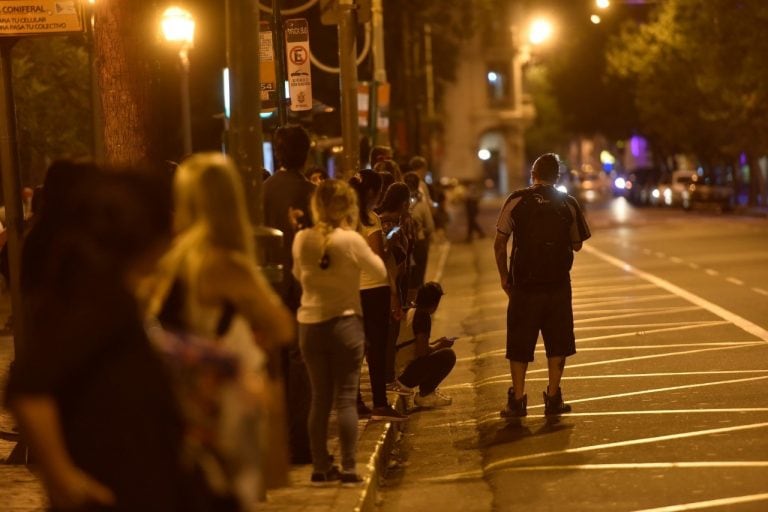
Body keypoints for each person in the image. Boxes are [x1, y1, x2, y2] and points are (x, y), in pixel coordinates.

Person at [6, 165, 201, 511]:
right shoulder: (103, 300)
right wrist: (61, 475)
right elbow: (29, 383)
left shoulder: (121, 296)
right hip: (117, 487)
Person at [146, 153, 294, 508]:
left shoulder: (172, 260)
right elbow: (282, 326)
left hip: (182, 399)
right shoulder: (224, 263)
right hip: (223, 401)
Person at [292, 180, 387, 485]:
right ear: (348, 207)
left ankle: (320, 466)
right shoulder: (351, 240)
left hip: (309, 324)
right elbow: (380, 272)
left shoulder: (302, 239)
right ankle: (348, 468)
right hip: (345, 324)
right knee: (346, 398)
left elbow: (297, 275)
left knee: (320, 398)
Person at [493, 153, 591, 418]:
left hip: (524, 284)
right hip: (558, 284)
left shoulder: (516, 200)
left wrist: (504, 277)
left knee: (519, 342)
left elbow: (500, 241)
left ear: (532, 174)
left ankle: (518, 398)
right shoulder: (567, 203)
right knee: (559, 341)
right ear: (557, 177)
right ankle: (553, 395)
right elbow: (577, 244)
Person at [263, 124, 316, 464]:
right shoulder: (310, 193)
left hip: (268, 289)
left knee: (275, 368)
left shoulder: (262, 190)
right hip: (301, 289)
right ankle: (300, 445)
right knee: (302, 368)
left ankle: (277, 444)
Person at [349, 170, 407, 422]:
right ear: (372, 193)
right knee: (376, 347)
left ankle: (356, 401)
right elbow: (377, 259)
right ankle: (380, 403)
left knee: (356, 348)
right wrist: (393, 294)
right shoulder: (369, 220)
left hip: (350, 289)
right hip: (373, 288)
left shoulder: (341, 219)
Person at [393, 282, 456, 408]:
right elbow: (421, 352)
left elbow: (413, 344)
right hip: (405, 375)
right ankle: (425, 394)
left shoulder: (410, 310)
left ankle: (427, 392)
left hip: (397, 369)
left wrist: (436, 343)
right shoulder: (423, 316)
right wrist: (441, 345)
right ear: (435, 303)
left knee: (441, 352)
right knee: (448, 355)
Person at [403, 172, 434, 291]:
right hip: (419, 243)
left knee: (406, 279)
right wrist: (421, 232)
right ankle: (417, 302)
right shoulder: (421, 203)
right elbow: (430, 226)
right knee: (419, 277)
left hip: (403, 246)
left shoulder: (399, 203)